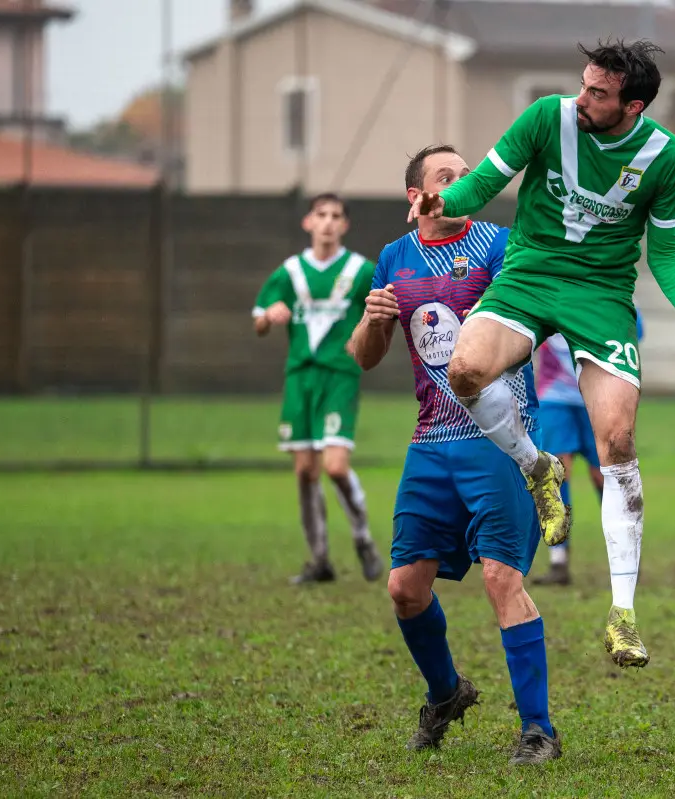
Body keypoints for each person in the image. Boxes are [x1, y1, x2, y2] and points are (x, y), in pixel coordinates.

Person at [408, 38, 675, 667]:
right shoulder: (546, 119)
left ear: (633, 105)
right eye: (583, 85)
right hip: (528, 275)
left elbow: (663, 251)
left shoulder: (668, 157)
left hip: (602, 295)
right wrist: (443, 202)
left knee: (617, 443)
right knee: (464, 369)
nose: (582, 99)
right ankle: (537, 468)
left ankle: (623, 616)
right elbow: (483, 185)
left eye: (599, 94)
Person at [347, 144, 560, 764]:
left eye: (468, 176)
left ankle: (538, 730)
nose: (461, 184)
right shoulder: (393, 258)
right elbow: (363, 357)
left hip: (500, 438)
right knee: (404, 587)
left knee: (502, 579)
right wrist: (373, 318)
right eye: (447, 176)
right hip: (430, 442)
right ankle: (446, 695)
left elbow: (532, 321)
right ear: (416, 196)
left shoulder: (499, 245)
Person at [252, 192, 383, 585]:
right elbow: (259, 319)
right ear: (308, 222)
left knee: (335, 466)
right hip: (300, 377)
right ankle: (320, 559)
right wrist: (270, 318)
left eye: (336, 215)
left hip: (339, 376)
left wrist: (365, 332)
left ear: (345, 225)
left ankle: (363, 538)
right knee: (306, 472)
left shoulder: (361, 270)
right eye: (321, 214)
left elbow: (385, 310)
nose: (328, 221)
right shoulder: (290, 272)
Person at [532, 310, 644, 587]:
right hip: (555, 397)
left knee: (604, 476)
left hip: (599, 396)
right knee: (557, 473)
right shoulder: (547, 288)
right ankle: (559, 559)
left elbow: (634, 331)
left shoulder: (610, 289)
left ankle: (625, 556)